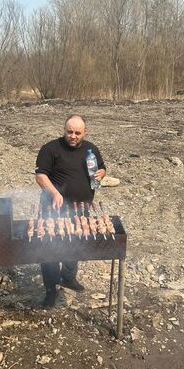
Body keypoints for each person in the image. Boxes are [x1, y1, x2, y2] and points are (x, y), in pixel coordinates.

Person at [35, 114, 106, 307]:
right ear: (64, 130)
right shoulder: (50, 149)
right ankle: (51, 290)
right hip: (53, 209)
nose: (73, 136)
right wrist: (54, 193)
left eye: (77, 133)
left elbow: (101, 168)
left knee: (74, 244)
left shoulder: (91, 150)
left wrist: (101, 173)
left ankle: (68, 278)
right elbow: (40, 175)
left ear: (85, 132)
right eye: (69, 132)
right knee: (50, 249)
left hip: (81, 209)